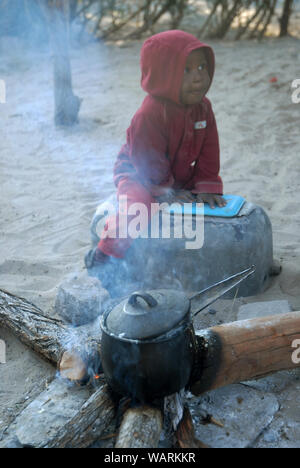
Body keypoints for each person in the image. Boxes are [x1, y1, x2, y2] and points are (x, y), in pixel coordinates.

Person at [85, 29, 226, 270]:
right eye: (186, 70)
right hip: (140, 173)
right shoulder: (149, 114)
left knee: (211, 203)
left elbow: (209, 149)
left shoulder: (203, 107)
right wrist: (163, 188)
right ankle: (104, 255)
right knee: (138, 207)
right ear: (163, 76)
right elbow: (146, 157)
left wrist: (207, 182)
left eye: (202, 67)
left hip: (178, 172)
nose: (198, 78)